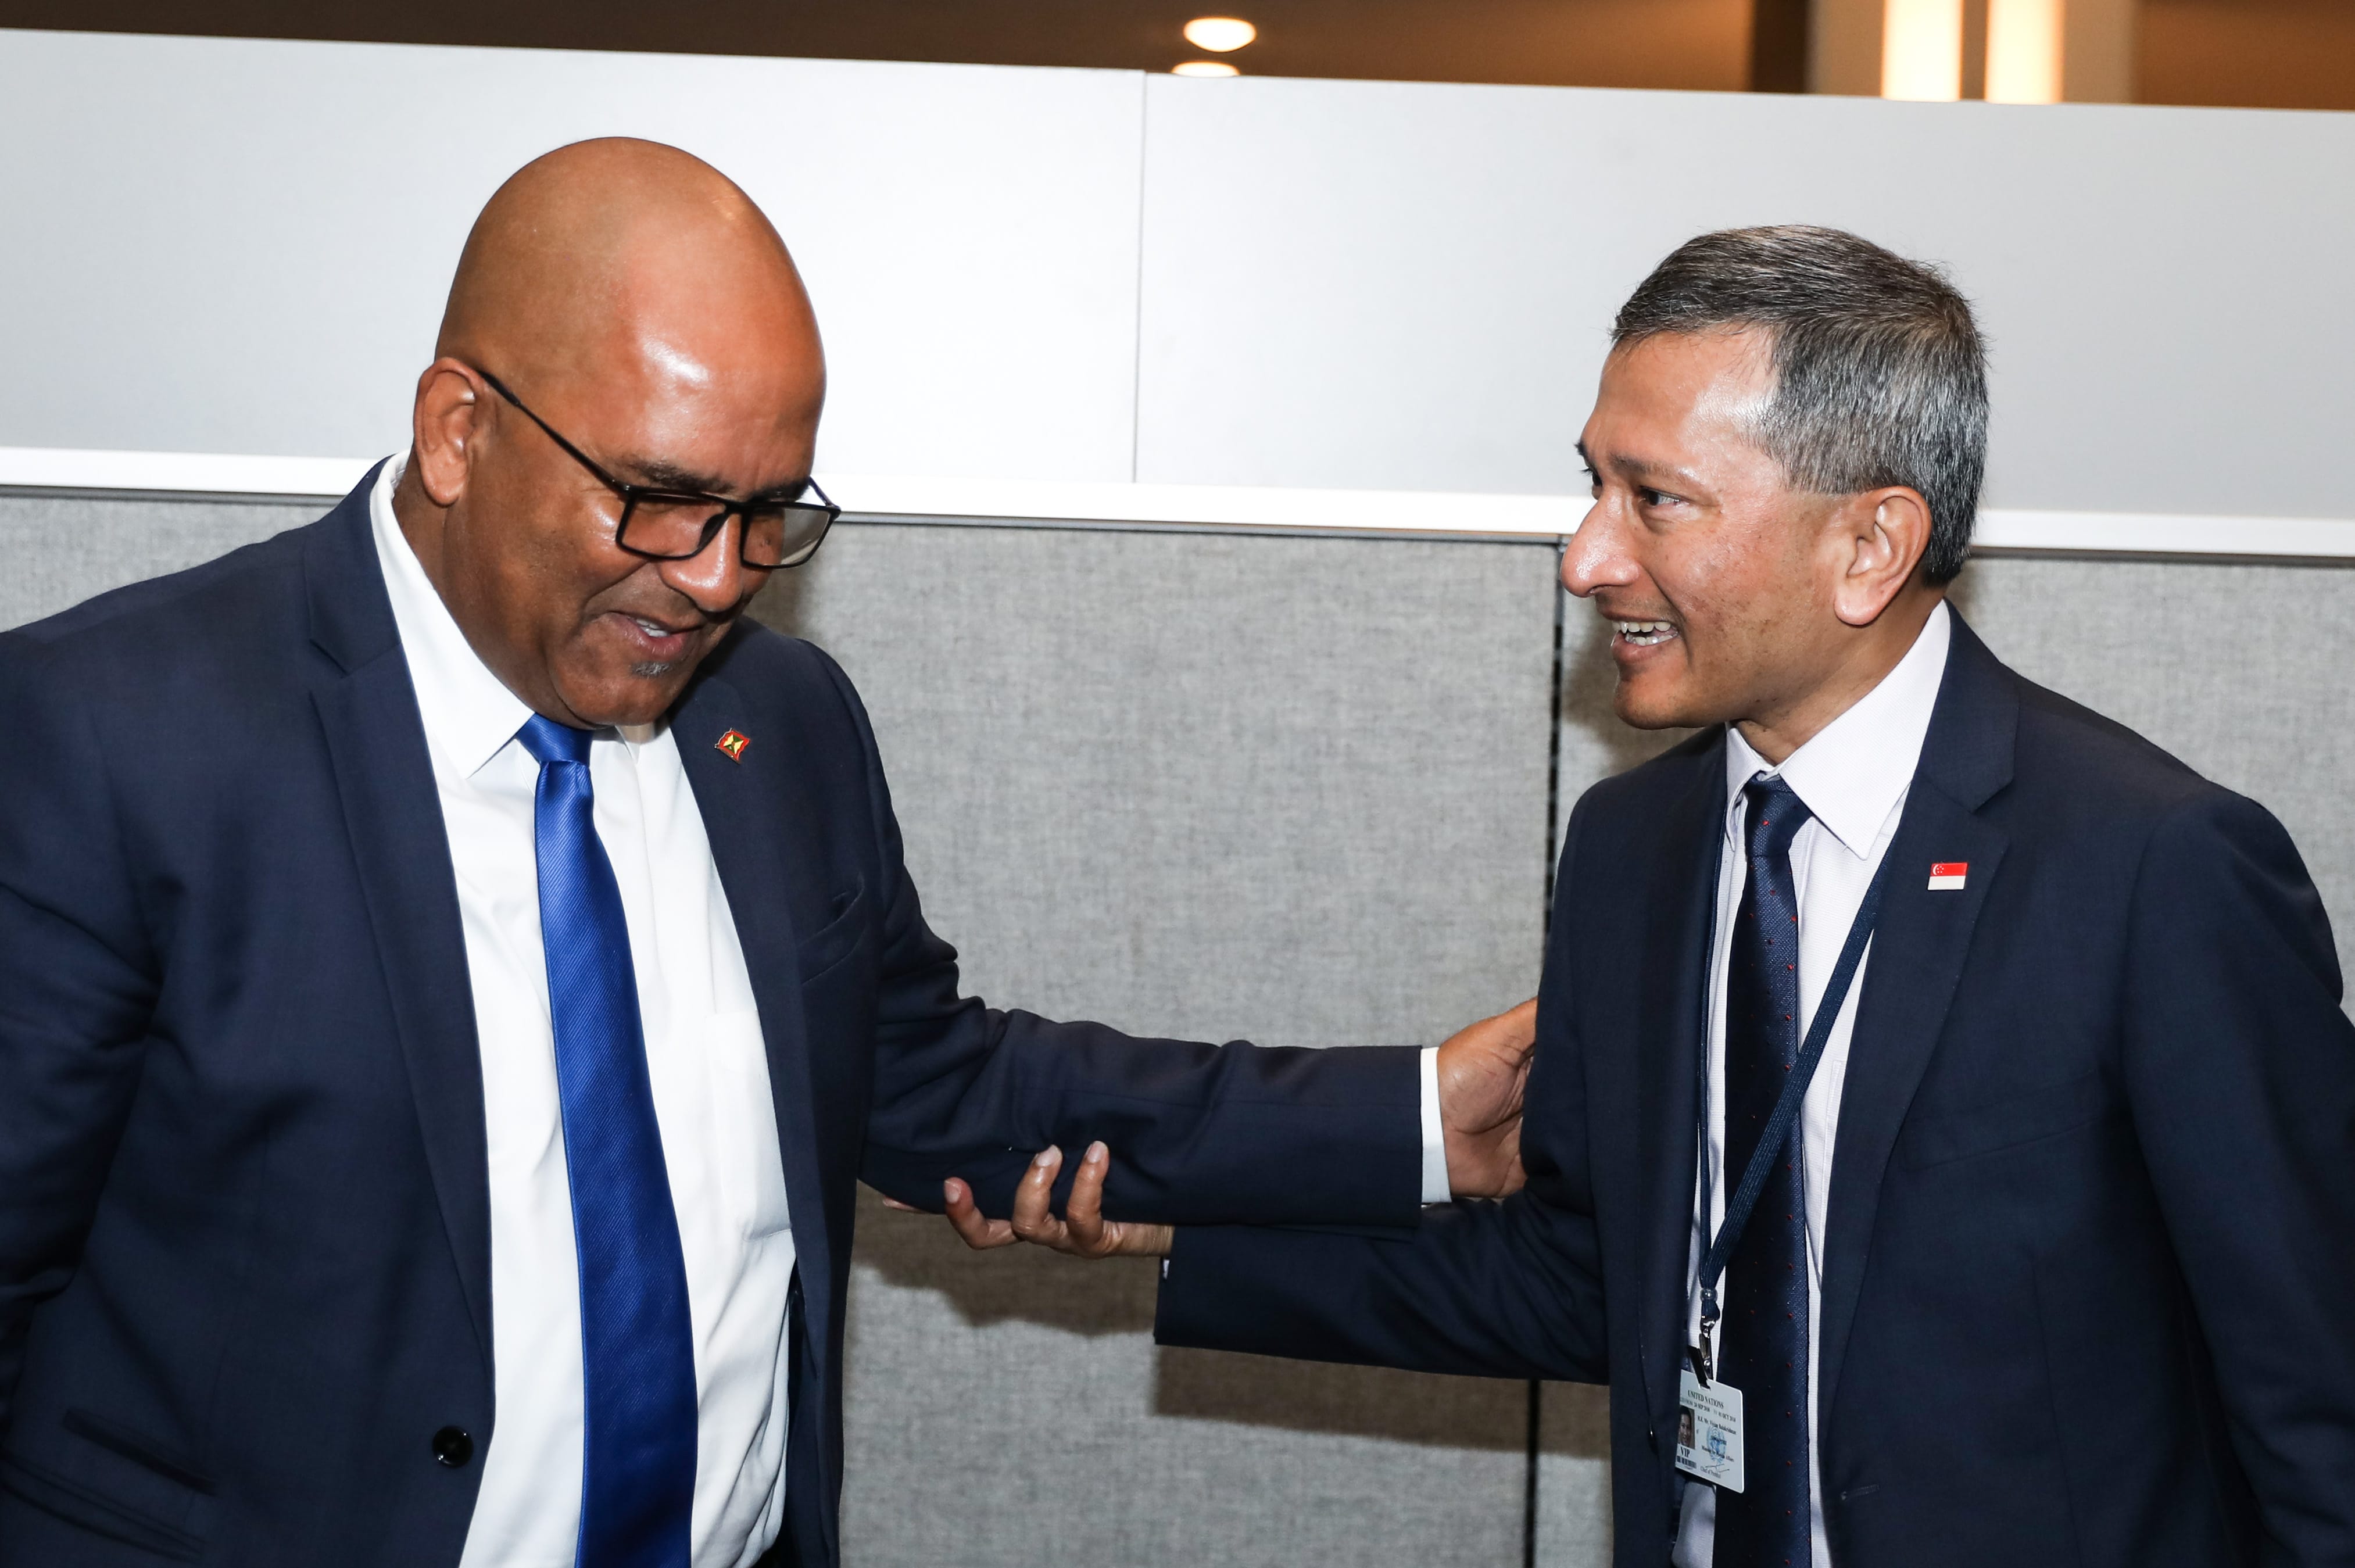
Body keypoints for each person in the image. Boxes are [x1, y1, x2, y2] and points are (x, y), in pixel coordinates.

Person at [0, 138, 1537, 1568]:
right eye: (663, 503)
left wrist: (1406, 1117)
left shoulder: (777, 724)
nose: (719, 580)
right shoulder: (115, 735)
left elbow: (935, 1082)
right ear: (459, 429)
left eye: (767, 513)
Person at [941, 227, 2355, 1567]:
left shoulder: (2152, 866)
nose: (1584, 557)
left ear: (1867, 544)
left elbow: (2315, 1394)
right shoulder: (1636, 843)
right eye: (1592, 485)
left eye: (1655, 499)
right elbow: (1588, 1274)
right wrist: (1197, 1225)